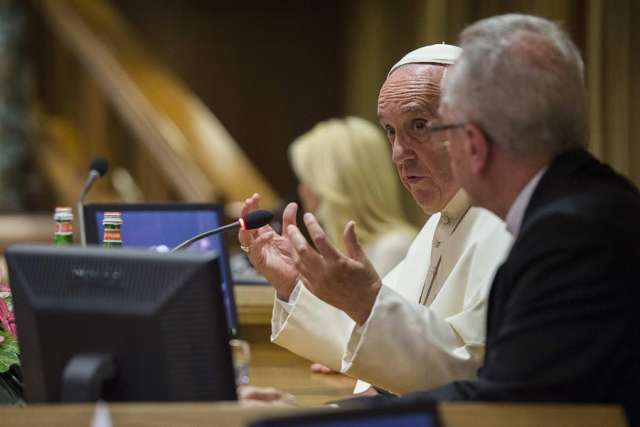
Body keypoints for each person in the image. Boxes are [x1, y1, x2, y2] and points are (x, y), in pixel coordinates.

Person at [286, 14, 640, 424]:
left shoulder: (570, 234)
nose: (401, 154)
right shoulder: (581, 202)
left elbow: (507, 404)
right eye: (390, 132)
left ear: (473, 140)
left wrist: (322, 419)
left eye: (430, 126)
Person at [239, 44, 513, 395]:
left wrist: (365, 301)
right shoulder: (437, 225)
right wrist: (293, 283)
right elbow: (375, 344)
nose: (399, 153)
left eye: (419, 125)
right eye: (390, 131)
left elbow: (468, 373)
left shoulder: (507, 228)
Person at [290, 117, 417, 278]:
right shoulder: (342, 252)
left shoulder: (394, 249)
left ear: (333, 185)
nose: (301, 190)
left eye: (307, 179)